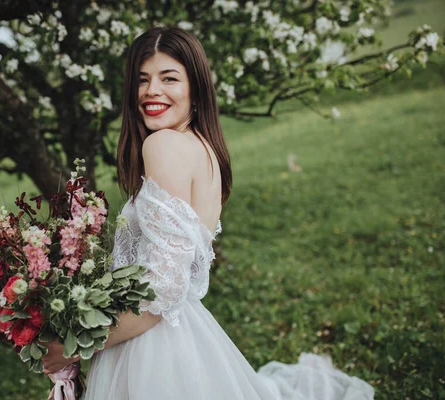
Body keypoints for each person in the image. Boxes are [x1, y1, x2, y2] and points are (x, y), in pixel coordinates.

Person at [41, 26, 375, 400]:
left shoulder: (163, 145)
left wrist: (78, 344)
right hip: (180, 334)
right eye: (142, 79)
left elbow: (163, 291)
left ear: (195, 89)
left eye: (169, 78)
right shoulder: (203, 148)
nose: (152, 90)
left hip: (154, 350)